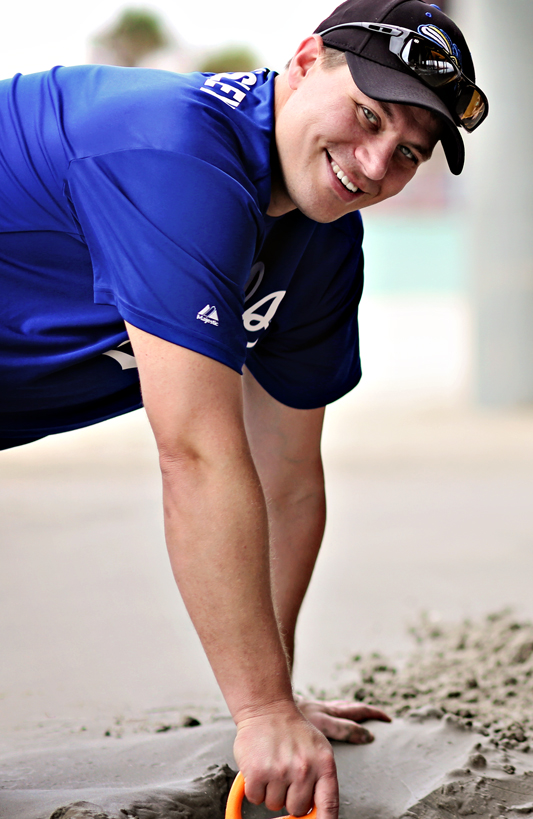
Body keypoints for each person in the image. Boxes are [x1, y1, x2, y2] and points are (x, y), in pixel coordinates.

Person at [0, 1, 487, 816]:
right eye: (366, 116)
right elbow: (194, 454)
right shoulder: (172, 151)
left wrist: (271, 697)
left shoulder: (323, 237)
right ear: (303, 61)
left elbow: (287, 473)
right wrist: (262, 713)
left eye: (406, 152)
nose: (371, 166)